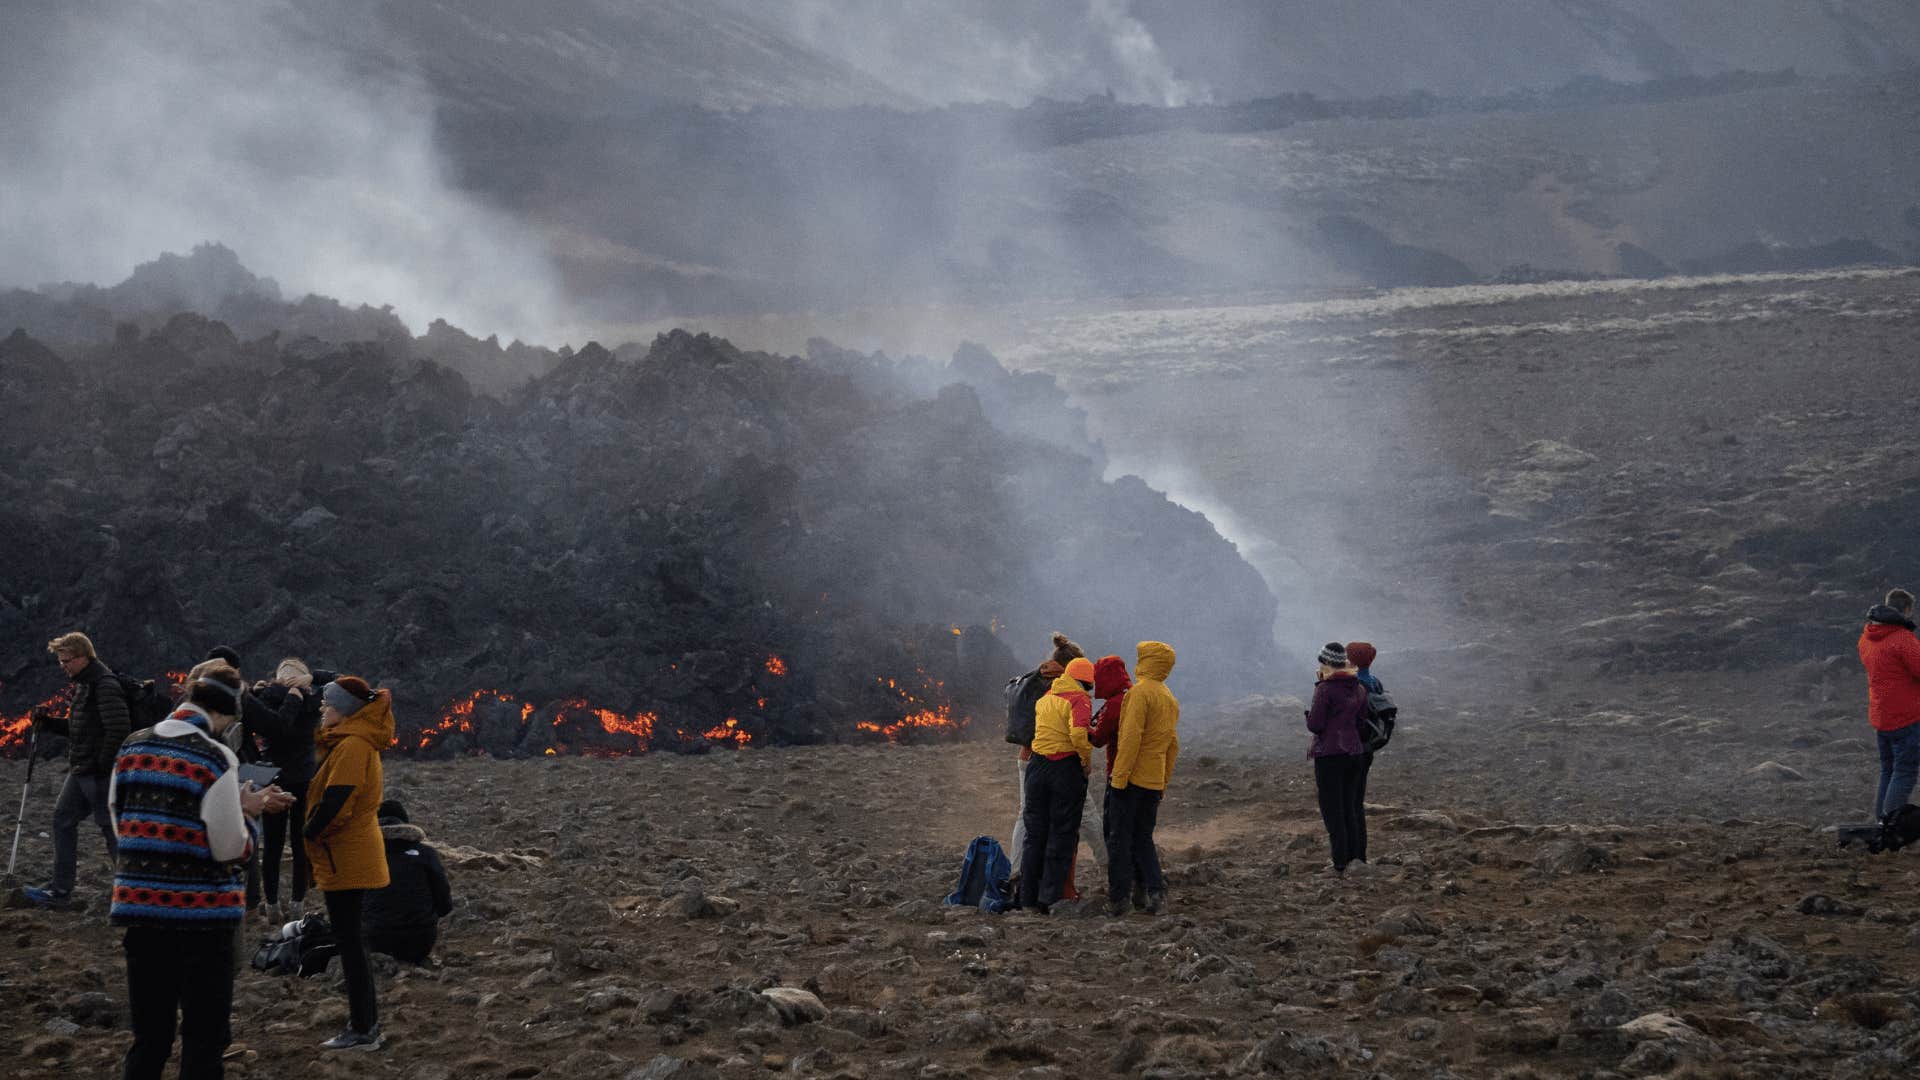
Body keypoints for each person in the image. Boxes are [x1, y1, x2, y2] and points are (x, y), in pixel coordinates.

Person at [110, 662, 292, 1080]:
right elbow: (229, 848)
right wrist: (248, 812)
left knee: (149, 1038)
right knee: (203, 1040)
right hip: (202, 921)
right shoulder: (214, 756)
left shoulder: (132, 745)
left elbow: (123, 822)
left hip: (141, 915)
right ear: (227, 715)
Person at [305, 675, 394, 1051]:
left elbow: (338, 801)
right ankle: (365, 1024)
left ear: (343, 709)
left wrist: (311, 832)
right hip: (350, 852)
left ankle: (363, 1028)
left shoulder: (353, 745)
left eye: (327, 704)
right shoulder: (351, 741)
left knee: (351, 943)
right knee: (353, 941)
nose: (322, 709)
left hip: (346, 855)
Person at [23, 631, 131, 911]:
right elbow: (78, 727)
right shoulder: (84, 684)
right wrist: (48, 723)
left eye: (67, 660)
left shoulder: (104, 685)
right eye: (60, 661)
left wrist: (102, 765)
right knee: (62, 820)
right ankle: (60, 891)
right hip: (82, 769)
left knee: (112, 832)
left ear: (84, 657)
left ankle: (133, 894)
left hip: (98, 773)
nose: (63, 666)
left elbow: (119, 729)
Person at [249, 658, 330, 919]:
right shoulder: (314, 703)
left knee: (272, 845)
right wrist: (314, 679)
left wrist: (259, 691)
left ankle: (271, 904)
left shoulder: (265, 699)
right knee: (299, 844)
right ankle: (297, 903)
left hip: (273, 778)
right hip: (304, 778)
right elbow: (340, 681)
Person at [1106, 641, 1179, 917]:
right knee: (1143, 838)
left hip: (1132, 779)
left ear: (1146, 662)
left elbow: (1130, 738)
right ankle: (1156, 891)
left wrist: (1119, 778)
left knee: (1120, 840)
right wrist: (1163, 780)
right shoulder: (1169, 698)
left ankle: (1119, 899)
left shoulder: (1139, 694)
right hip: (1153, 781)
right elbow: (1173, 744)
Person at [1018, 656, 1095, 913]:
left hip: (1037, 767)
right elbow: (1078, 734)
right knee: (1061, 834)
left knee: (1034, 834)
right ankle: (1049, 898)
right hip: (1064, 768)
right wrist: (1085, 760)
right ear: (1084, 682)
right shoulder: (1078, 698)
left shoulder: (1046, 699)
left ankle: (1026, 897)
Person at [1008, 633, 1082, 889]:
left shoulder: (1035, 677)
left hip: (1027, 757)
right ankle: (1105, 864)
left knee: (1025, 814)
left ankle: (1018, 873)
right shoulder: (1061, 684)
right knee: (1087, 814)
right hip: (1053, 759)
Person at [1305, 642, 1371, 876]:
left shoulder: (1325, 689)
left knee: (1333, 810)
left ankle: (1339, 864)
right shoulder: (1359, 687)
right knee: (1350, 808)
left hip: (1330, 754)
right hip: (1354, 753)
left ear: (1325, 662)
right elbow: (1362, 722)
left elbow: (1315, 724)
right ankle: (1357, 859)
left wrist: (1308, 717)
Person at [1858, 589, 1920, 830]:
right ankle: (1890, 828)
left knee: (1889, 769)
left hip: (1881, 715)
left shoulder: (1867, 637)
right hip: (1906, 716)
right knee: (1904, 771)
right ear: (1906, 610)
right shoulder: (1902, 639)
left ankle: (1882, 821)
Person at [363, 800, 453, 964]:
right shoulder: (426, 853)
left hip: (377, 940)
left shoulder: (363, 855)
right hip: (420, 941)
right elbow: (445, 905)